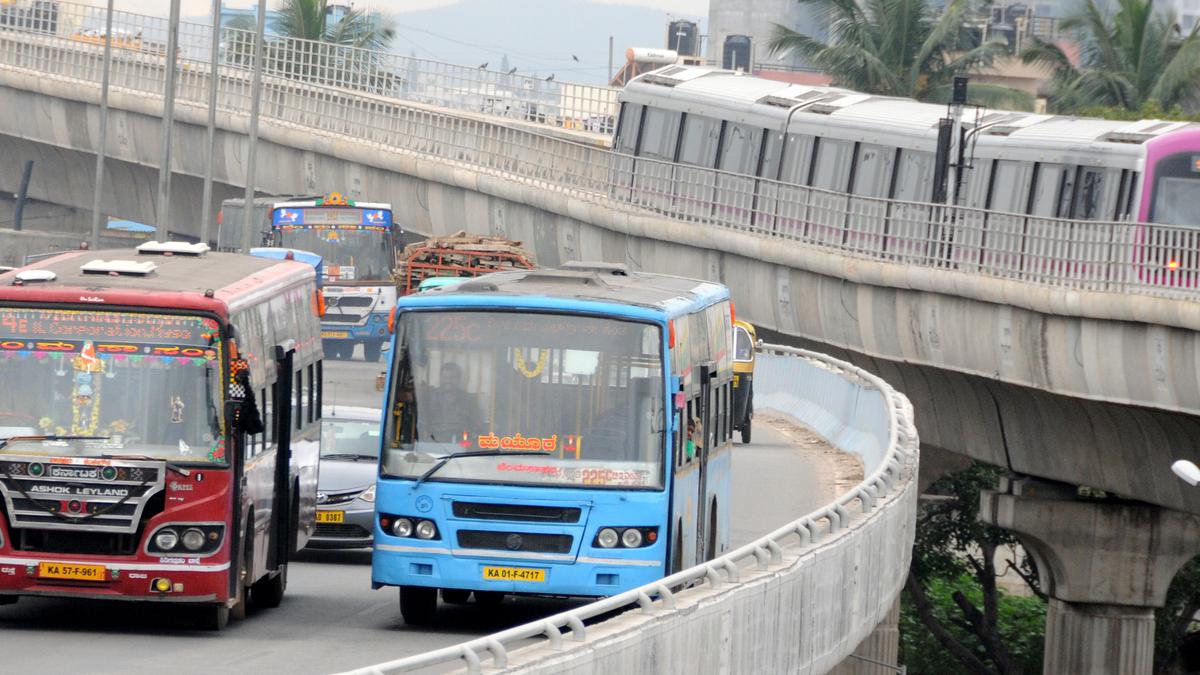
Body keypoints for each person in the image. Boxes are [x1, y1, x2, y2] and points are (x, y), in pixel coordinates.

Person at [418, 362, 484, 443]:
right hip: (433, 440)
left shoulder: (469, 399)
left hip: (460, 443)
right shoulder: (429, 396)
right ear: (440, 378)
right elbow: (421, 420)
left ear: (459, 379)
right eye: (444, 377)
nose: (448, 381)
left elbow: (477, 425)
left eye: (452, 377)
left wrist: (469, 439)